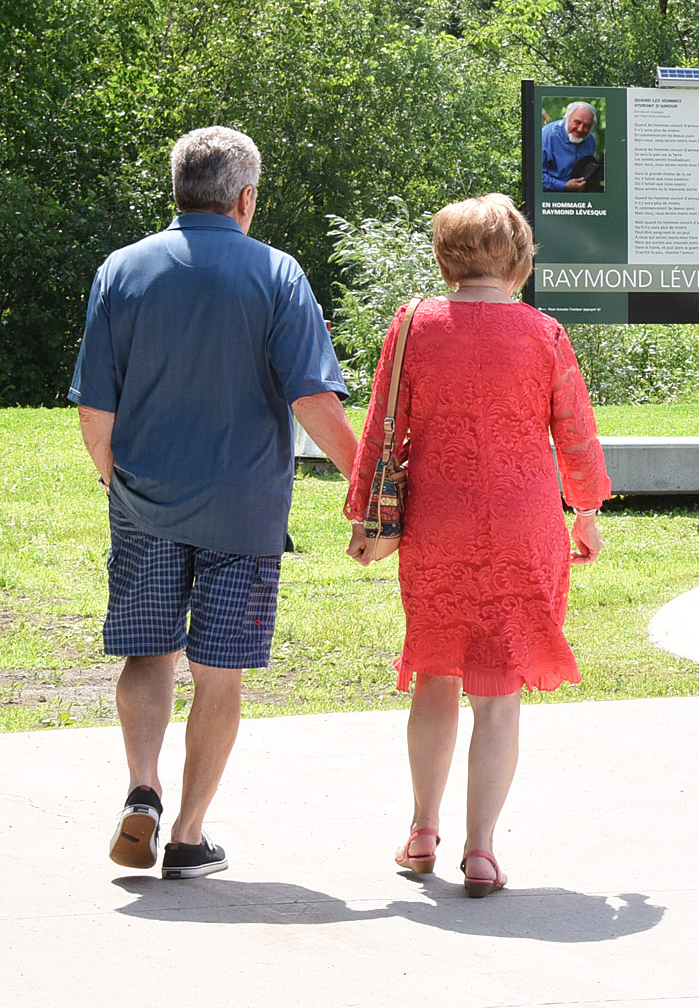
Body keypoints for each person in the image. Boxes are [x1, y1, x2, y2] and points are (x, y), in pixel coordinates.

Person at [69, 126, 357, 879]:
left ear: (179, 191)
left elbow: (94, 410)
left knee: (147, 649)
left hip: (143, 500)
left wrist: (115, 482)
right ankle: (190, 836)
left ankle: (141, 787)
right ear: (246, 198)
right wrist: (369, 485)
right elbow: (313, 400)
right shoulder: (277, 273)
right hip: (245, 506)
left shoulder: (121, 270)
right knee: (219, 671)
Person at [344, 195, 611, 897]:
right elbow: (575, 433)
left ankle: (422, 831)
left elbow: (379, 427)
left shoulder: (414, 326)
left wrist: (364, 519)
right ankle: (484, 851)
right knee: (498, 691)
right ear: (520, 260)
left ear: (444, 258)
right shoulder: (546, 334)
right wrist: (584, 511)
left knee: (436, 672)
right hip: (525, 524)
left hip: (438, 522)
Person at [541, 101, 600, 192]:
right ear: (567, 119)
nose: (580, 129)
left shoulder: (590, 139)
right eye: (577, 122)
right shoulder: (546, 136)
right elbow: (534, 176)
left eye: (587, 126)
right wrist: (564, 186)